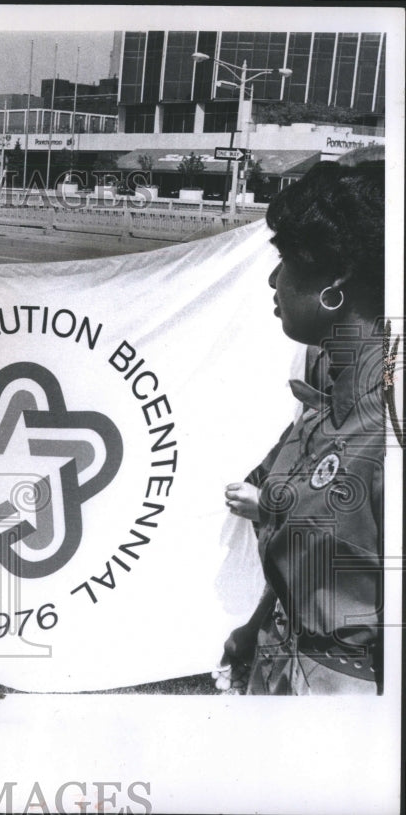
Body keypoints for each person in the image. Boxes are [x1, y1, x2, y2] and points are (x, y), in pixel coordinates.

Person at [220, 158, 386, 695]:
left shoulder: (388, 425)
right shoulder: (326, 405)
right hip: (279, 668)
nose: (274, 279)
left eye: (287, 259)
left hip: (349, 705)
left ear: (335, 279)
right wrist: (255, 626)